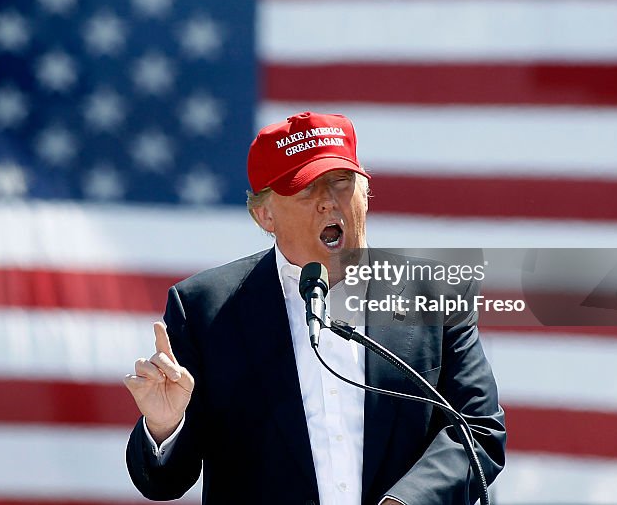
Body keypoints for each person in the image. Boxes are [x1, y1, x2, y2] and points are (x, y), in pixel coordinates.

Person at [124, 111, 506, 504]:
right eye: (305, 188)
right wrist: (165, 426)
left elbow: (478, 428)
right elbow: (163, 483)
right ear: (264, 214)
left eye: (341, 181)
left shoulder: (436, 293)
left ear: (365, 193)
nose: (328, 201)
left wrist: (406, 501)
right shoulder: (205, 309)